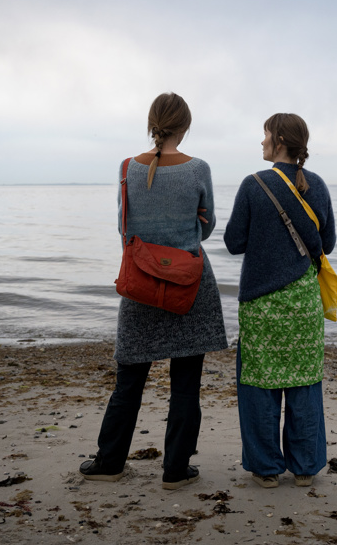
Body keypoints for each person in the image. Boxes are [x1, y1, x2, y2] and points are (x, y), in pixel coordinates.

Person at [79, 92, 228, 490]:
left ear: (152, 123)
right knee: (185, 384)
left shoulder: (128, 167)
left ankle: (110, 462)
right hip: (189, 285)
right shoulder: (198, 169)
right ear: (186, 126)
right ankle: (175, 471)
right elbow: (208, 225)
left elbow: (124, 228)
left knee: (128, 380)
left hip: (141, 285)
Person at [223, 112, 336, 489]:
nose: (262, 142)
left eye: (265, 134)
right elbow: (328, 243)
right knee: (304, 381)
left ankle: (266, 469)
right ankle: (305, 468)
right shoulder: (316, 185)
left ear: (280, 140)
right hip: (304, 299)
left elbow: (234, 242)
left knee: (259, 383)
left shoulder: (253, 185)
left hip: (260, 302)